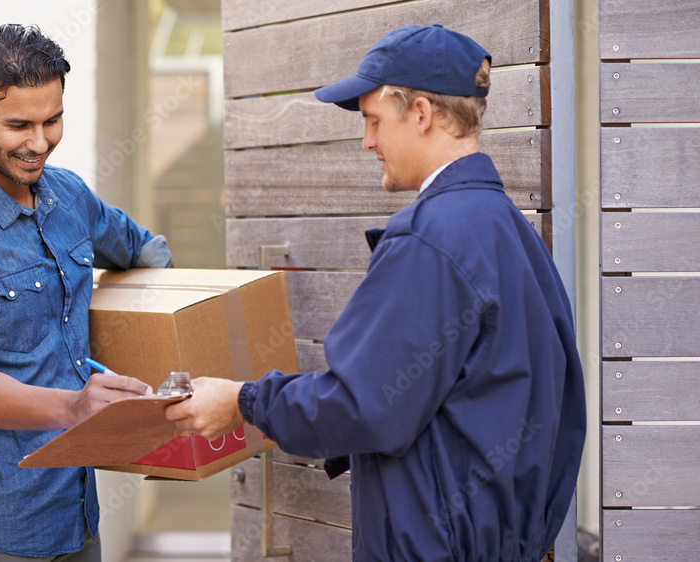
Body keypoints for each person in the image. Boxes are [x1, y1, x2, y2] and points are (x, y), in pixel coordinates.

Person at [166, 24, 586, 561]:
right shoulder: (509, 229)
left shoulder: (430, 238)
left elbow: (364, 404)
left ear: (421, 114)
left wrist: (243, 401)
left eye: (372, 121)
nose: (367, 142)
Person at [0, 24, 171, 561]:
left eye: (53, 120)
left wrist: (154, 343)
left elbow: (146, 252)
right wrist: (75, 407)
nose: (40, 142)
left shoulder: (66, 194)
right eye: (19, 124)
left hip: (76, 521)